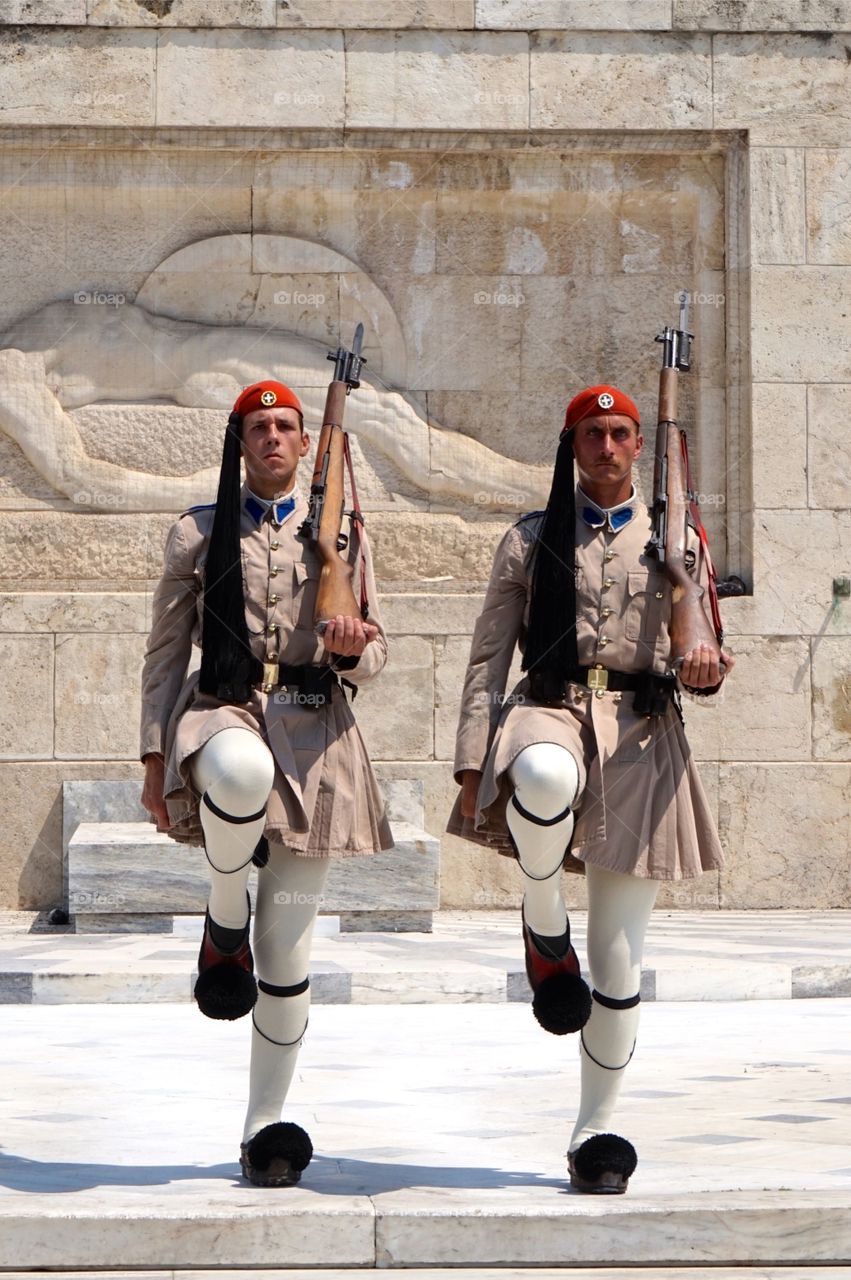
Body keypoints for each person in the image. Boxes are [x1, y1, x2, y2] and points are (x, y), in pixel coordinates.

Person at [448, 384, 734, 1194]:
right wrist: (474, 761)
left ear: (638, 446)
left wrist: (705, 665)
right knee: (537, 774)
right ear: (570, 446)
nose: (606, 448)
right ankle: (543, 924)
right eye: (591, 435)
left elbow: (703, 644)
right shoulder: (531, 538)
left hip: (642, 735)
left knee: (617, 962)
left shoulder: (678, 540)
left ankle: (594, 1129)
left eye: (619, 434)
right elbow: (485, 660)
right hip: (550, 708)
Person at [140, 379, 392, 1187]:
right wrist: (152, 760)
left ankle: (265, 1124)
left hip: (315, 730)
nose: (274, 439)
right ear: (239, 442)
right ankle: (222, 916)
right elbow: (164, 653)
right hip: (225, 708)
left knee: (285, 949)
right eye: (260, 428)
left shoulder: (345, 536)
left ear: (305, 445)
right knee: (237, 768)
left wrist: (351, 645)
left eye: (287, 428)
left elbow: (376, 655)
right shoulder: (200, 531)